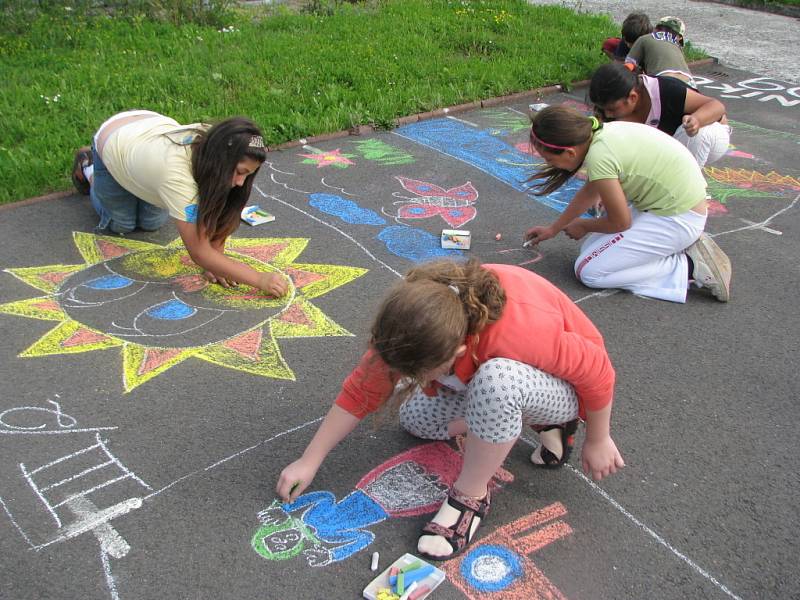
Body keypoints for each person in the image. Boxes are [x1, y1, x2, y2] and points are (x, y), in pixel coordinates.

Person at [277, 258, 624, 560]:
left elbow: (598, 372)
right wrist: (310, 459)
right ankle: (500, 424)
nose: (406, 377)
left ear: (456, 353)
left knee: (497, 380)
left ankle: (472, 495)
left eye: (417, 372)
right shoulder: (413, 321)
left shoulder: (520, 334)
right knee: (415, 418)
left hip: (558, 389)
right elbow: (361, 391)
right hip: (487, 374)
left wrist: (599, 438)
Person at [524, 106, 732, 303]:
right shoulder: (600, 133)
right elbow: (590, 191)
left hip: (679, 217)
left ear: (570, 152)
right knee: (590, 249)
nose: (551, 165)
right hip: (670, 206)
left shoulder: (600, 157)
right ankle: (672, 249)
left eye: (550, 160)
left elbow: (620, 222)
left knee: (588, 271)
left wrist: (584, 225)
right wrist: (554, 229)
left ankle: (689, 267)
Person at [70, 110, 287, 296]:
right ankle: (88, 168)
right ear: (222, 159)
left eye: (247, 175)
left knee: (150, 223)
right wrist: (259, 279)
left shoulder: (217, 143)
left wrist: (217, 259)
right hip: (114, 140)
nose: (241, 182)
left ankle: (138, 183)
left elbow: (221, 210)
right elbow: (199, 253)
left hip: (147, 138)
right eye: (240, 173)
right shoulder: (175, 175)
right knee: (122, 224)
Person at [589, 62, 730, 167]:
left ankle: (691, 193)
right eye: (603, 109)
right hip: (669, 147)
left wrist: (697, 120)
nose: (608, 114)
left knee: (697, 135)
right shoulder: (608, 112)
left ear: (633, 97)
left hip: (711, 135)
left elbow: (717, 107)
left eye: (612, 109)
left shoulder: (667, 90)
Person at [625, 16, 695, 88]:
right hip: (689, 82)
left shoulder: (644, 39)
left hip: (663, 80)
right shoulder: (678, 46)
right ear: (678, 37)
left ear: (655, 29)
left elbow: (629, 65)